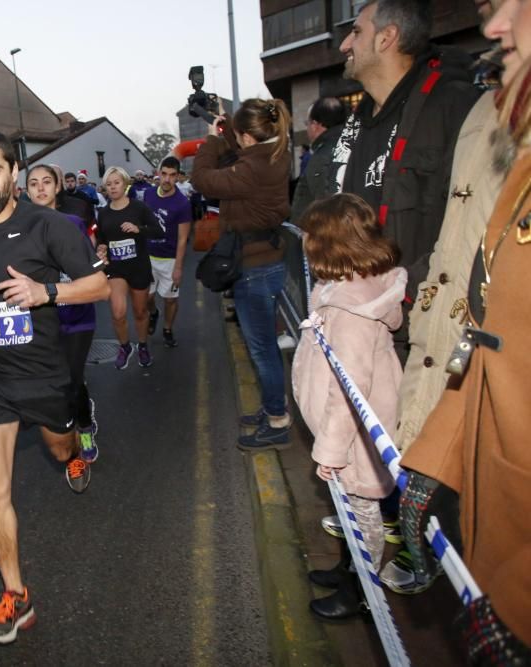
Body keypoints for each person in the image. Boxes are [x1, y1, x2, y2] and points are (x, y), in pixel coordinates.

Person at [0, 129, 109, 644]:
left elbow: (98, 284)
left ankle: (75, 446)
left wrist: (45, 291)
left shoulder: (49, 225)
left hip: (46, 375)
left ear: (13, 172)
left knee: (58, 451)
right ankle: (17, 595)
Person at [401, 5, 531, 656]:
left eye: (516, 3)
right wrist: (433, 456)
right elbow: (492, 328)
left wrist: (520, 593)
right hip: (489, 480)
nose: (495, 26)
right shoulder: (505, 121)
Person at [331, 0, 480, 358]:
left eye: (355, 32)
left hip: (424, 334)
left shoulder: (455, 106)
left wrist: (398, 291)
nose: (344, 46)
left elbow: (472, 226)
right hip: (362, 326)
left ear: (387, 38)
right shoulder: (358, 120)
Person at [292, 193, 404, 619]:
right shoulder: (348, 288)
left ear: (328, 244)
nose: (303, 243)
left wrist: (332, 451)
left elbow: (348, 389)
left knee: (362, 513)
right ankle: (346, 569)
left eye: (309, 236)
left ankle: (361, 591)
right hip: (348, 432)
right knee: (348, 508)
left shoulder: (352, 311)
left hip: (353, 437)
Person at [190, 99, 293, 449]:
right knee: (265, 347)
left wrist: (212, 140)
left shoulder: (253, 167)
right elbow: (239, 153)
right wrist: (226, 129)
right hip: (267, 262)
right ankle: (272, 407)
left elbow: (203, 179)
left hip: (256, 269)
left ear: (248, 137)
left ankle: (278, 421)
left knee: (262, 349)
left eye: (239, 135)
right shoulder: (274, 154)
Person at [26, 163, 100, 461]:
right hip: (42, 319)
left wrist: (98, 262)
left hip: (77, 315)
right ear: (26, 191)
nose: (41, 187)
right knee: (56, 381)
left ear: (58, 187)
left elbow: (89, 265)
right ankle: (67, 430)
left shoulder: (73, 221)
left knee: (71, 377)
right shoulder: (20, 229)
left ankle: (83, 427)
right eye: (33, 183)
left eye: (47, 182)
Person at [95, 166, 161, 369]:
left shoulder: (138, 208)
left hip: (139, 266)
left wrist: (138, 229)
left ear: (125, 184)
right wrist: (101, 249)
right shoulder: (104, 213)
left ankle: (142, 345)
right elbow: (101, 240)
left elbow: (158, 231)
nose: (113, 187)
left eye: (116, 182)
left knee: (140, 312)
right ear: (105, 188)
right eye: (109, 184)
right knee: (117, 312)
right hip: (116, 269)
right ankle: (125, 346)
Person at [143, 156, 193, 348]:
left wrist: (178, 267)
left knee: (170, 300)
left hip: (169, 259)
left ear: (177, 177)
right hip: (148, 257)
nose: (166, 179)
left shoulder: (182, 203)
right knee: (147, 297)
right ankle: (154, 313)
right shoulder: (148, 194)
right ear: (158, 173)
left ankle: (167, 329)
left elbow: (182, 239)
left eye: (172, 176)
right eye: (164, 174)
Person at [290, 97, 347, 225]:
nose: (307, 128)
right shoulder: (353, 146)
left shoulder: (322, 157)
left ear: (315, 125)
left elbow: (326, 208)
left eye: (307, 123)